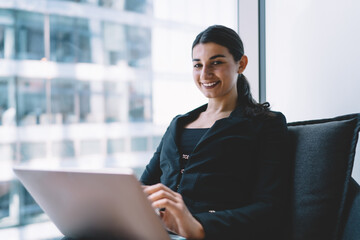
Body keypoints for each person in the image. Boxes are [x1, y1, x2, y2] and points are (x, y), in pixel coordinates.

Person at [141, 25, 289, 240]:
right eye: (197, 65)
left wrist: (198, 226)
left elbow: (270, 208)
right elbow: (144, 187)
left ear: (241, 64)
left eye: (216, 62)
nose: (205, 74)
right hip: (159, 232)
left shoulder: (265, 124)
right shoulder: (178, 124)